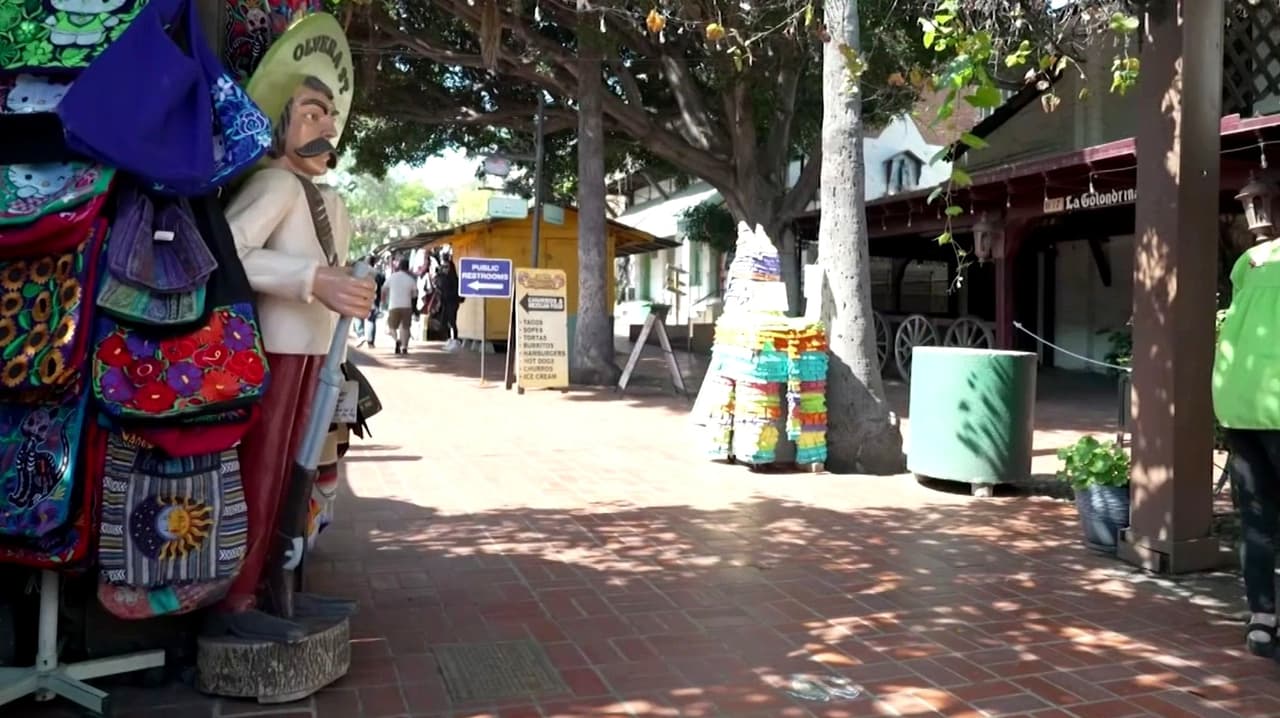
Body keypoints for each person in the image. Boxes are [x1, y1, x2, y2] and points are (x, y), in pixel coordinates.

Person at [216, 14, 373, 644]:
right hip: (274, 351)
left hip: (314, 352)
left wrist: (340, 286)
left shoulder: (327, 198)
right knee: (262, 471)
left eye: (329, 116)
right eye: (311, 113)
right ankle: (238, 599)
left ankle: (278, 588)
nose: (326, 128)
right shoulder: (275, 185)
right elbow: (229, 251)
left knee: (296, 475)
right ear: (280, 119)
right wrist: (314, 280)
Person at [1214, 178, 1280, 658]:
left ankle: (1261, 620)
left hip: (1237, 404)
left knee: (1257, 517)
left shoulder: (1248, 263)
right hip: (1274, 405)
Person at [384, 257, 417, 354]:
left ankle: (397, 340)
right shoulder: (411, 279)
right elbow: (415, 294)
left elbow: (384, 289)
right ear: (407, 268)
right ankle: (404, 347)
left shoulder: (392, 277)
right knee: (405, 327)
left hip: (393, 305)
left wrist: (383, 300)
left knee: (392, 327)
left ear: (399, 267)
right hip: (407, 306)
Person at [437, 256, 463, 351]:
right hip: (445, 302)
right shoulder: (443, 278)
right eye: (443, 267)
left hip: (452, 302)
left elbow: (455, 291)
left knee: (452, 320)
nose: (445, 269)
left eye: (447, 267)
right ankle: (449, 339)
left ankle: (455, 340)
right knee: (445, 321)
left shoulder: (454, 279)